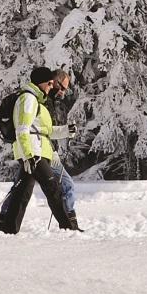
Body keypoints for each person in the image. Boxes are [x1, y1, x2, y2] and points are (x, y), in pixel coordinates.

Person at [0, 66, 80, 234]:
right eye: (50, 83)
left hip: (39, 151)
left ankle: (7, 230)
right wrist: (28, 156)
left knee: (22, 192)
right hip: (33, 152)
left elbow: (44, 131)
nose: (51, 87)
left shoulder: (37, 100)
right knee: (52, 187)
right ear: (43, 83)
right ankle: (69, 228)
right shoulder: (28, 99)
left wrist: (65, 131)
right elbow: (23, 129)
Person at [49, 69, 82, 230]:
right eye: (62, 87)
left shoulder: (50, 102)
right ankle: (71, 225)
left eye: (65, 89)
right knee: (67, 185)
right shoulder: (44, 102)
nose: (63, 92)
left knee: (20, 191)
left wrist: (65, 130)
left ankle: (5, 222)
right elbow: (44, 130)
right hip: (43, 152)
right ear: (54, 81)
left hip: (45, 151)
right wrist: (64, 131)